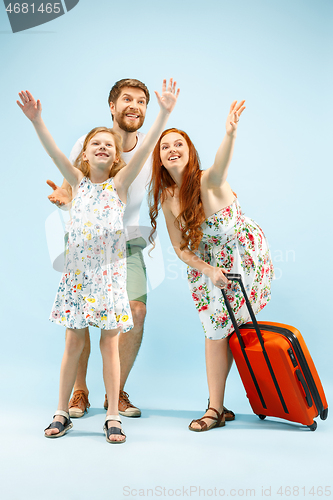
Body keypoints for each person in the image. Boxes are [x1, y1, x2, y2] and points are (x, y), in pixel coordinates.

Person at [17, 79, 179, 443]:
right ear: (85, 155)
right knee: (72, 343)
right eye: (96, 145)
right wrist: (36, 120)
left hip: (110, 278)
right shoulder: (77, 180)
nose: (103, 147)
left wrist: (166, 112)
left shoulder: (119, 185)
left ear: (117, 158)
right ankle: (62, 410)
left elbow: (147, 146)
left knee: (109, 344)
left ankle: (112, 414)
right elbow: (54, 152)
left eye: (108, 145)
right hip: (78, 278)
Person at [148, 100, 274, 431]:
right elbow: (179, 248)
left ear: (190, 152)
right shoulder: (168, 197)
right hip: (210, 264)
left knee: (222, 330)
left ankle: (215, 410)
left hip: (242, 253)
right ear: (159, 158)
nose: (172, 149)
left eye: (179, 144)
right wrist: (208, 270)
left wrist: (230, 133)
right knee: (215, 330)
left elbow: (221, 166)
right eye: (165, 146)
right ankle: (217, 408)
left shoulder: (206, 180)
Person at [47, 79, 153, 419]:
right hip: (84, 246)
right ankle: (78, 392)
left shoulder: (151, 150)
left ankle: (115, 392)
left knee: (133, 313)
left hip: (128, 242)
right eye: (126, 99)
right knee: (78, 321)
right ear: (112, 106)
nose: (134, 105)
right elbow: (69, 188)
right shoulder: (90, 141)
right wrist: (63, 199)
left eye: (141, 101)